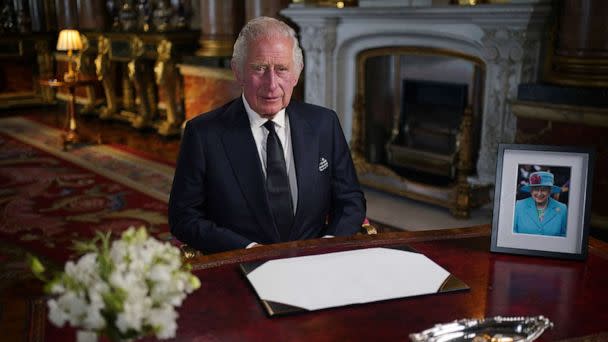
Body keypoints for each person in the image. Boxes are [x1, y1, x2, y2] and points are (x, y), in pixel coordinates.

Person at [168, 17, 366, 254]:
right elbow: (184, 217)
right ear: (238, 72)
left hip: (315, 262)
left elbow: (350, 199)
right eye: (259, 68)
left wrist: (327, 244)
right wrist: (248, 250)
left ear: (297, 73)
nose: (271, 84)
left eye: (282, 69)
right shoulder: (203, 134)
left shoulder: (324, 123)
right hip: (240, 265)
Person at [513, 171, 567, 236]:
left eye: (544, 190)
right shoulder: (519, 206)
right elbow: (513, 232)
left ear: (550, 191)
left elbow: (564, 236)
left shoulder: (562, 209)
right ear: (531, 190)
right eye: (536, 189)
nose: (539, 194)